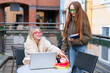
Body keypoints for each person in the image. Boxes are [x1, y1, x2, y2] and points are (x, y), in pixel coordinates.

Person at [61, 1, 92, 73]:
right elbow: (65, 36)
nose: (72, 12)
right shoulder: (69, 20)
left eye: (74, 10)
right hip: (72, 48)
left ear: (78, 9)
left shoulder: (83, 21)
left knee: (80, 69)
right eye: (70, 10)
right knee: (72, 67)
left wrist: (74, 40)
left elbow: (88, 37)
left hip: (81, 47)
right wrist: (63, 49)